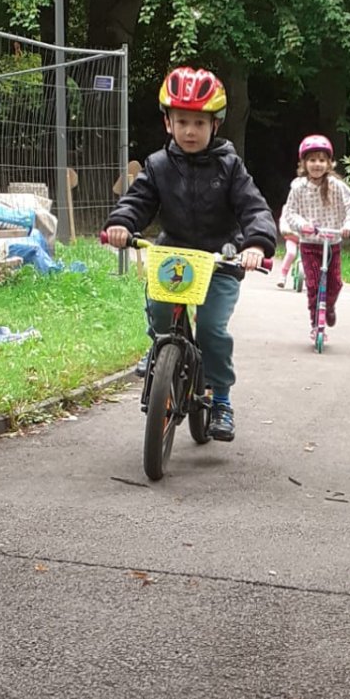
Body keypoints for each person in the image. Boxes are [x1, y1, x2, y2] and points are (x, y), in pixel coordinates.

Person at [103, 66, 276, 441]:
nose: (190, 131)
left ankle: (221, 399)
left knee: (212, 328)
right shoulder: (158, 166)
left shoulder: (230, 167)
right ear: (168, 123)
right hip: (175, 256)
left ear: (215, 125)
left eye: (199, 122)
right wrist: (121, 223)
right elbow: (137, 201)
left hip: (220, 260)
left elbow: (254, 208)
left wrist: (256, 244)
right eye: (182, 121)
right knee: (160, 308)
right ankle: (159, 345)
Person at [281, 135, 350, 343]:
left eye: (322, 160)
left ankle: (329, 306)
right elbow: (290, 212)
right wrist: (302, 225)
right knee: (314, 285)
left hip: (332, 243)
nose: (317, 164)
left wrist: (349, 225)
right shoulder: (298, 187)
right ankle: (317, 323)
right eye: (312, 160)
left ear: (329, 163)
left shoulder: (336, 186)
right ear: (303, 163)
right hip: (310, 244)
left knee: (335, 283)